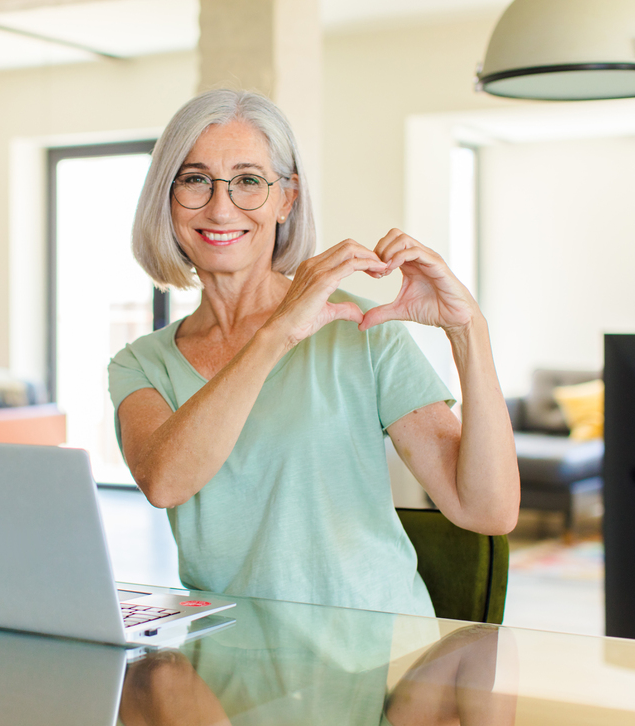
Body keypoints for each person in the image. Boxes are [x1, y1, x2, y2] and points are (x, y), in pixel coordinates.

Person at [108, 89, 519, 616]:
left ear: (287, 199)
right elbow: (165, 482)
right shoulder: (141, 363)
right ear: (166, 198)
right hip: (225, 665)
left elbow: (488, 510)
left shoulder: (363, 330)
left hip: (378, 661)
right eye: (194, 180)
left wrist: (469, 332)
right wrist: (277, 332)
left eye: (249, 181)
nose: (220, 206)